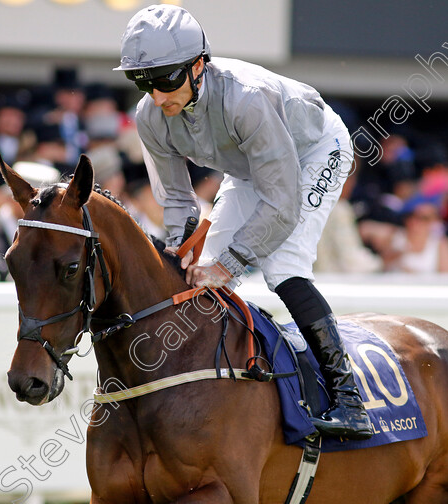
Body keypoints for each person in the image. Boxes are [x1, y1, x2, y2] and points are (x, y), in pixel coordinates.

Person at [115, 4, 371, 439]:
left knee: (281, 266)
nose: (158, 96)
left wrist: (230, 264)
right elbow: (177, 199)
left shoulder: (246, 98)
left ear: (198, 66)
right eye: (143, 82)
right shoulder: (149, 115)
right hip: (252, 165)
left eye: (167, 80)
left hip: (313, 151)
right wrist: (181, 252)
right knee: (202, 274)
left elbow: (282, 201)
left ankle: (349, 398)